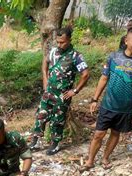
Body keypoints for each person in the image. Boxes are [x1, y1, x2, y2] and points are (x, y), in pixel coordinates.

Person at [81, 26, 132, 172]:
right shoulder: (114, 57)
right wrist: (95, 99)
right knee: (99, 134)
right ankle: (90, 160)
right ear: (126, 40)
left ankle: (106, 157)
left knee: (115, 133)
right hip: (108, 104)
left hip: (126, 107)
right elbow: (104, 78)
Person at [30, 27, 90, 155]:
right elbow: (45, 63)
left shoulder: (76, 56)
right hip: (49, 92)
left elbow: (85, 74)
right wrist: (45, 79)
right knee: (40, 116)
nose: (59, 44)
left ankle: (55, 144)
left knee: (57, 120)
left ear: (69, 40)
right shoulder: (53, 52)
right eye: (58, 42)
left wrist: (75, 91)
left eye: (62, 42)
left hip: (63, 95)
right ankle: (35, 142)